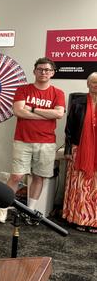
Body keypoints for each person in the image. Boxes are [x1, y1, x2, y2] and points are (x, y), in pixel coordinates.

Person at [0, 57, 65, 223]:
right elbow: (19, 111)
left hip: (46, 142)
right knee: (16, 176)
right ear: (34, 71)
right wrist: (47, 114)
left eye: (47, 70)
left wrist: (32, 109)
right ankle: (3, 209)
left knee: (38, 177)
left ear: (52, 73)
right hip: (23, 140)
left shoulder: (58, 93)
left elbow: (59, 114)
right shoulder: (23, 89)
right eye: (40, 69)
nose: (43, 72)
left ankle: (30, 210)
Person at [62, 72, 97, 233]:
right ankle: (78, 218)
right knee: (79, 186)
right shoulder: (78, 103)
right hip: (79, 150)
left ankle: (94, 221)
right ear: (88, 84)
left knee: (94, 187)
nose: (96, 85)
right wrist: (68, 149)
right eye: (93, 82)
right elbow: (68, 130)